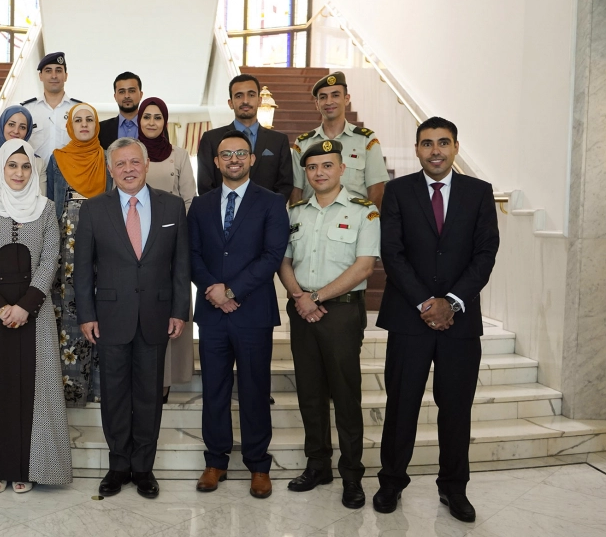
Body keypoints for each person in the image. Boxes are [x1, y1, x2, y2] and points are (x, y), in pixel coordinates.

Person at [373, 117, 499, 522]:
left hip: (460, 322)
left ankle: (454, 488)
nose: (436, 151)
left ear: (456, 147)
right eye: (427, 143)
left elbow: (485, 254)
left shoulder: (479, 192)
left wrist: (453, 302)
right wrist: (426, 303)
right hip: (409, 318)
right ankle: (391, 481)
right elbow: (392, 253)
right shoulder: (397, 191)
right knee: (401, 404)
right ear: (417, 149)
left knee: (457, 407)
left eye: (443, 142)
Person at [74, 137, 190, 499]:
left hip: (157, 315)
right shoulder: (94, 209)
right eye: (120, 164)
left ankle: (143, 468)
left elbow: (181, 264)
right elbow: (82, 269)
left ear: (146, 165)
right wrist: (86, 314)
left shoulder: (172, 207)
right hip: (110, 317)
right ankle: (118, 466)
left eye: (134, 162)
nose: (128, 169)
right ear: (111, 169)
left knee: (149, 395)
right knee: (114, 395)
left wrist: (180, 310)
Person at [0, 139, 71, 494]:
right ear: (1, 168)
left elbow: (50, 260)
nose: (19, 173)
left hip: (34, 315)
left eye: (25, 166)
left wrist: (24, 306)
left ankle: (28, 468)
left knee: (33, 389)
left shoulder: (46, 209)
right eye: (12, 165)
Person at [277, 139, 380, 510]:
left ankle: (352, 475)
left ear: (342, 169)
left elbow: (364, 266)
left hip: (341, 313)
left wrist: (315, 298)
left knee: (345, 395)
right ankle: (317, 465)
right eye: (312, 167)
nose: (319, 172)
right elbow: (283, 261)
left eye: (327, 165)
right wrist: (300, 298)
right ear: (305, 172)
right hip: (301, 310)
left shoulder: (364, 211)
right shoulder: (294, 212)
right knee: (310, 392)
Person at [188, 130, 289, 499]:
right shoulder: (201, 205)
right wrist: (214, 290)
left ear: (252, 159)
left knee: (254, 390)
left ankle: (258, 465)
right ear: (216, 162)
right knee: (214, 390)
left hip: (253, 313)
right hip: (212, 315)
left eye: (241, 153)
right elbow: (191, 254)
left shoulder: (272, 203)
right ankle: (215, 461)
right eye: (226, 154)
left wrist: (230, 291)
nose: (234, 159)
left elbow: (272, 255)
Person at [47, 102, 112, 407]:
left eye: (89, 119)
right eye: (78, 120)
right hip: (66, 246)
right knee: (69, 311)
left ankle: (99, 389)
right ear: (70, 126)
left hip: (103, 243)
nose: (84, 124)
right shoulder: (57, 158)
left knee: (100, 308)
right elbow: (50, 205)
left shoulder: (107, 157)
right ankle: (69, 391)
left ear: (96, 125)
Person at [137, 97, 197, 398]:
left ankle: (165, 382)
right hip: (134, 244)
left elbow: (189, 200)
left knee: (170, 309)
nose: (151, 122)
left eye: (157, 117)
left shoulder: (179, 155)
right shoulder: (129, 152)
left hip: (170, 245)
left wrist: (170, 233)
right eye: (146, 116)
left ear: (165, 122)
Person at [291, 71, 390, 208]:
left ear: (346, 99)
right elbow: (296, 192)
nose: (329, 102)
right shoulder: (303, 143)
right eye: (323, 97)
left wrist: (369, 219)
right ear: (317, 104)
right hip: (313, 217)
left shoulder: (366, 141)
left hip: (354, 219)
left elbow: (376, 191)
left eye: (335, 95)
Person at [196, 74, 293, 201]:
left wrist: (268, 209)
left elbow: (284, 185)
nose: (245, 101)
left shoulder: (279, 141)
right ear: (230, 103)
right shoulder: (211, 139)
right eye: (239, 96)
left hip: (266, 212)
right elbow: (205, 185)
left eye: (251, 95)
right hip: (223, 211)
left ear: (259, 100)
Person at [21, 52, 82, 172]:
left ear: (66, 76)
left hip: (69, 176)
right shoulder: (27, 110)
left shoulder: (79, 110)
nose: (54, 76)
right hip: (34, 176)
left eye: (58, 71)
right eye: (48, 71)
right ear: (40, 76)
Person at [0, 105, 46, 199]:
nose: (16, 131)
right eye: (11, 124)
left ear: (28, 132)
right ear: (2, 126)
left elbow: (41, 202)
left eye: (22, 127)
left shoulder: (38, 163)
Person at [99, 72, 143, 150]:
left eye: (131, 91)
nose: (127, 96)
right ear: (115, 96)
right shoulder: (101, 129)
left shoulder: (153, 127)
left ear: (141, 94)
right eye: (122, 92)